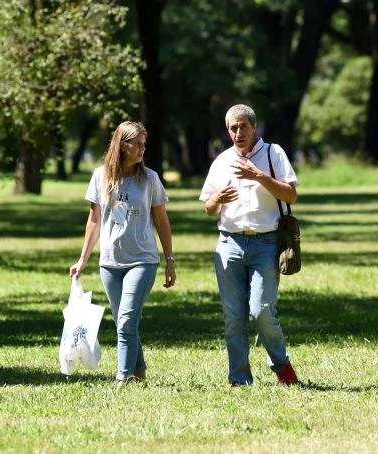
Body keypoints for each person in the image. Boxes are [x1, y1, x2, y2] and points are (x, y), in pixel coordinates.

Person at [199, 104, 300, 387]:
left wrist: (260, 177)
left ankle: (281, 364)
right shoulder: (221, 161)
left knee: (262, 309)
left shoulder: (273, 153)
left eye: (243, 126)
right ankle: (239, 379)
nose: (238, 132)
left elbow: (291, 196)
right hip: (229, 243)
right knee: (233, 317)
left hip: (266, 243)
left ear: (255, 127)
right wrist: (217, 198)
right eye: (233, 128)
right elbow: (208, 208)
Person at [69, 121, 176, 385]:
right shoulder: (100, 176)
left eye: (144, 144)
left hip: (142, 260)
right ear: (122, 145)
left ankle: (123, 376)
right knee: (122, 322)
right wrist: (83, 259)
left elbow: (162, 221)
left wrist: (170, 260)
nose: (142, 149)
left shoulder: (150, 179)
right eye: (136, 144)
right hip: (109, 263)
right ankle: (139, 369)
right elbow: (94, 220)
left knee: (127, 320)